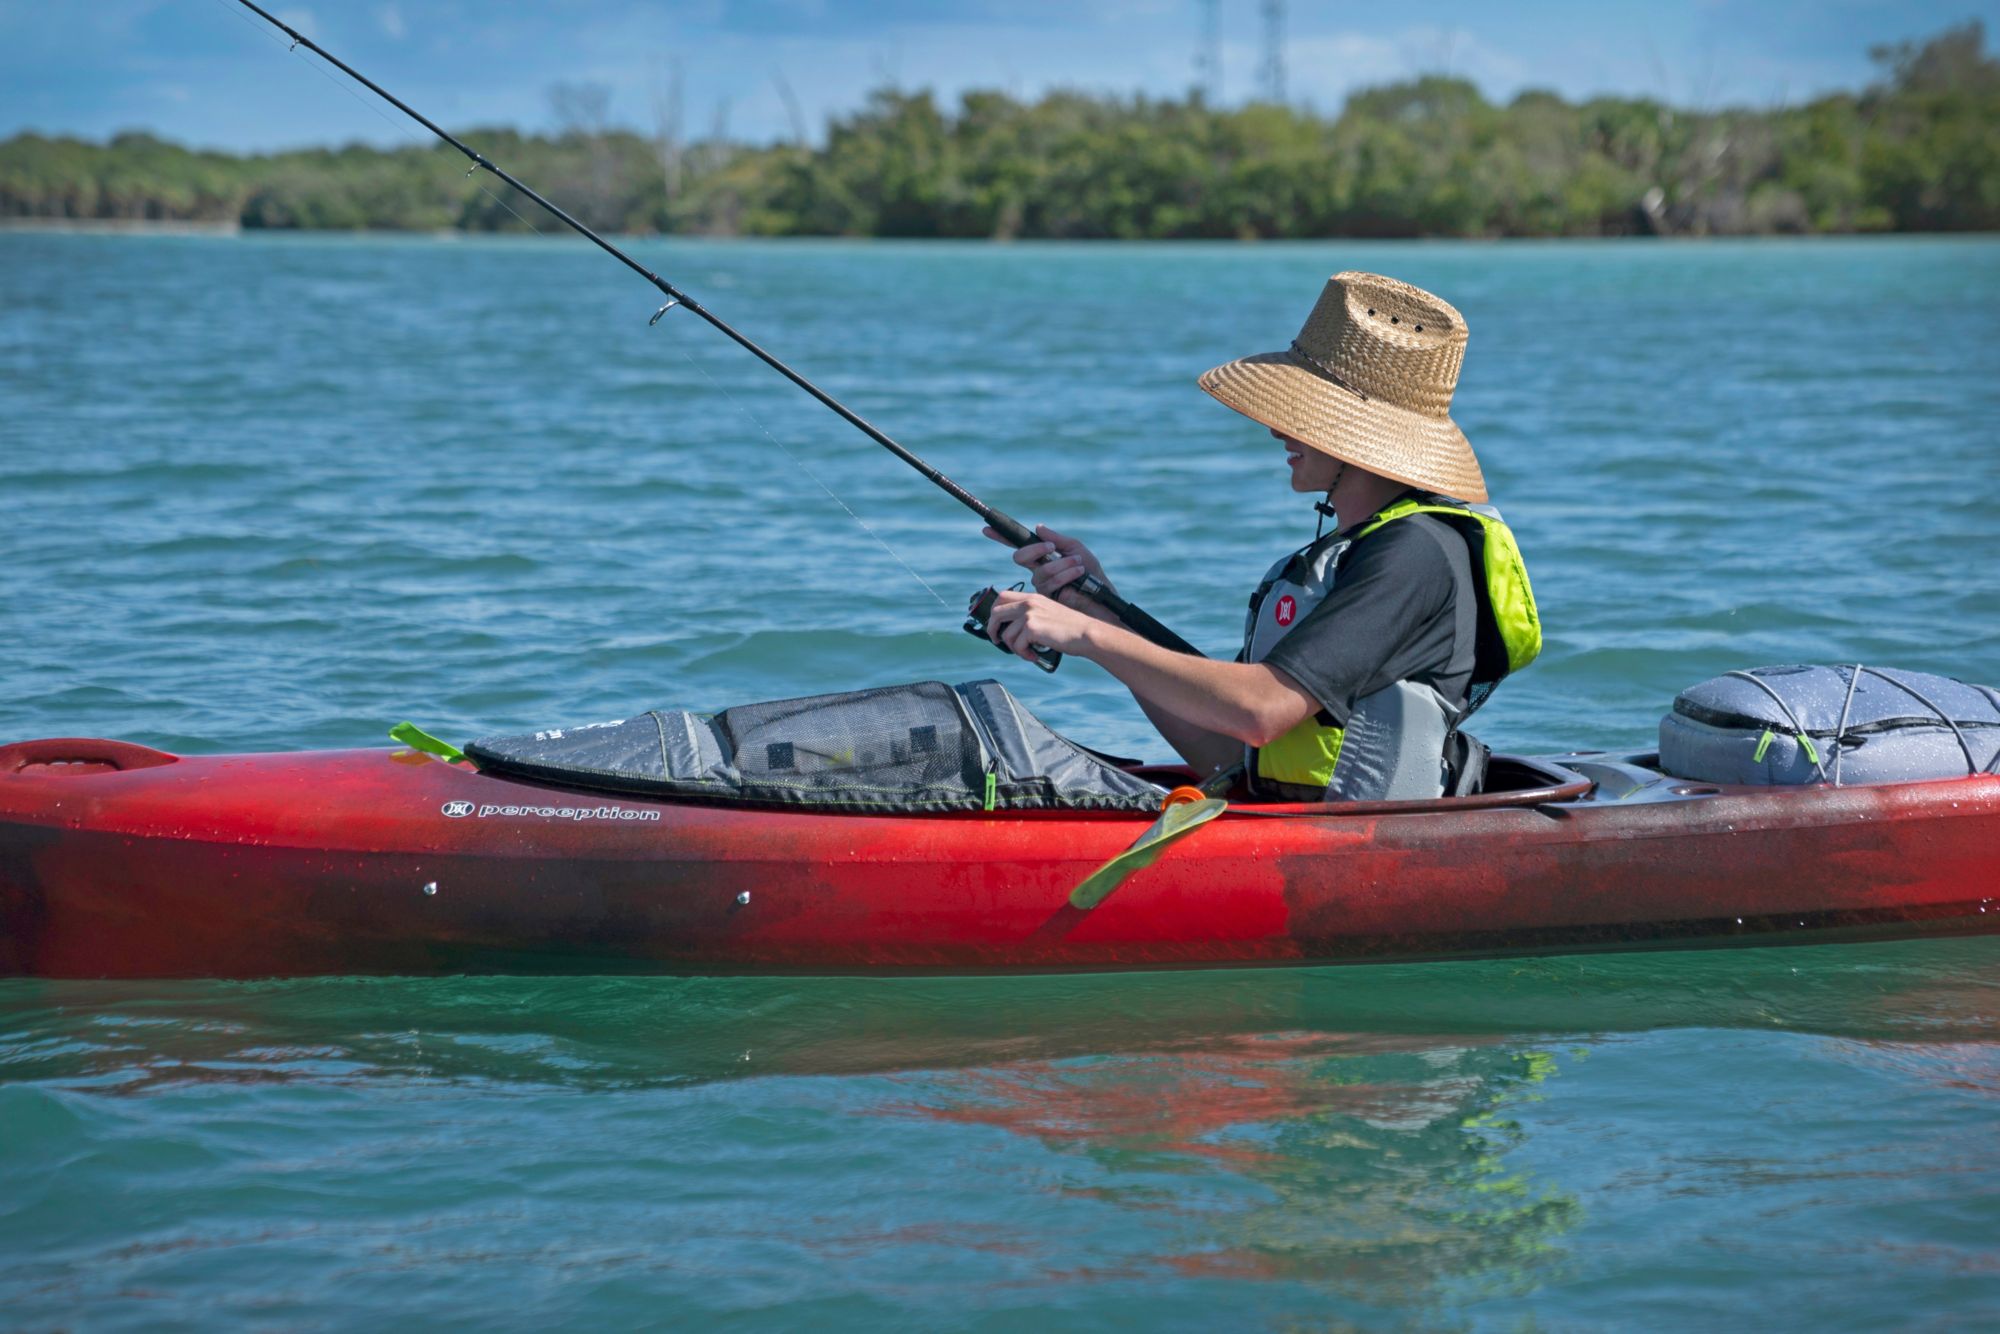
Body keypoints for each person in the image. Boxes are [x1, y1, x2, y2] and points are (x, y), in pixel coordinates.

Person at [983, 271, 1540, 802]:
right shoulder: (1344, 553)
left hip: (1362, 848)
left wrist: (1083, 634)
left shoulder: (1415, 553)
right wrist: (1099, 609)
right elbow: (1231, 749)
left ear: (1356, 434)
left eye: (1300, 413)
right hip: (1302, 826)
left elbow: (1260, 710)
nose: (1276, 428)